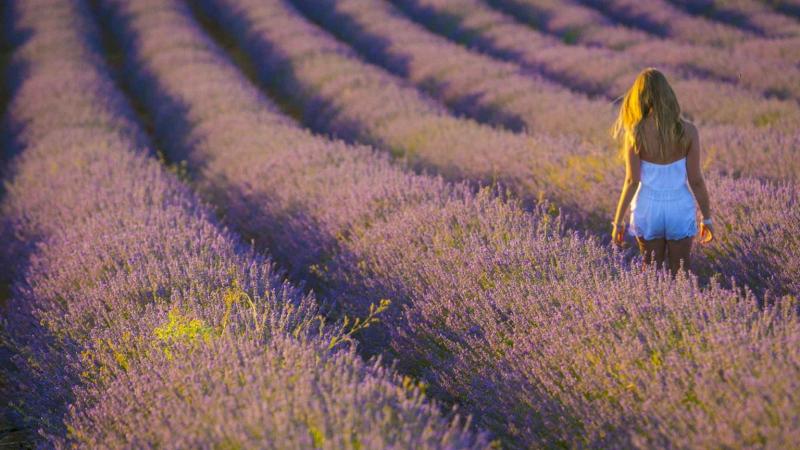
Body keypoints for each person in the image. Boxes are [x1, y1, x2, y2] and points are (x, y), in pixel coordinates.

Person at [610, 68, 713, 274]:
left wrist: (618, 222)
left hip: (648, 207)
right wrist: (707, 218)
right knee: (681, 272)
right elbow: (696, 180)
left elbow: (631, 181)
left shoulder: (635, 132)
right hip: (679, 207)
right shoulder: (688, 131)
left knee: (650, 273)